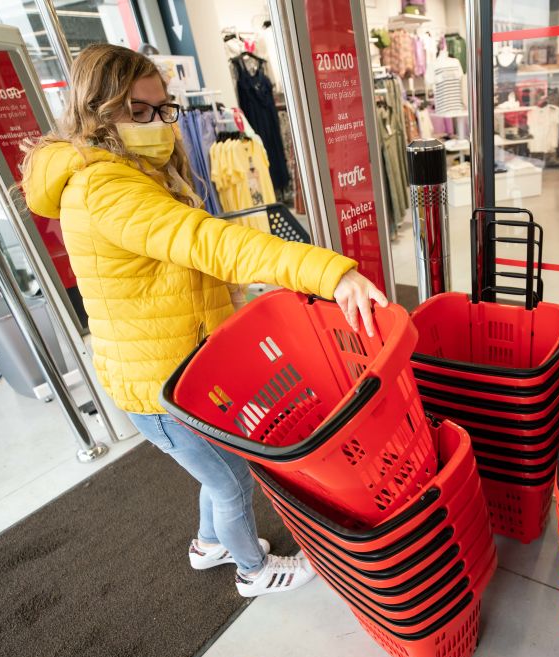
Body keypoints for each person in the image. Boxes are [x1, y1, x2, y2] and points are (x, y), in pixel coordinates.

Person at [20, 44, 387, 597]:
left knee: (215, 470)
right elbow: (206, 241)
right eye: (138, 111)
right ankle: (252, 570)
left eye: (162, 109)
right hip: (159, 385)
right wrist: (326, 272)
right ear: (97, 110)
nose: (157, 124)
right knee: (232, 481)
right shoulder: (103, 187)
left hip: (175, 365)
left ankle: (208, 543)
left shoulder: (127, 172)